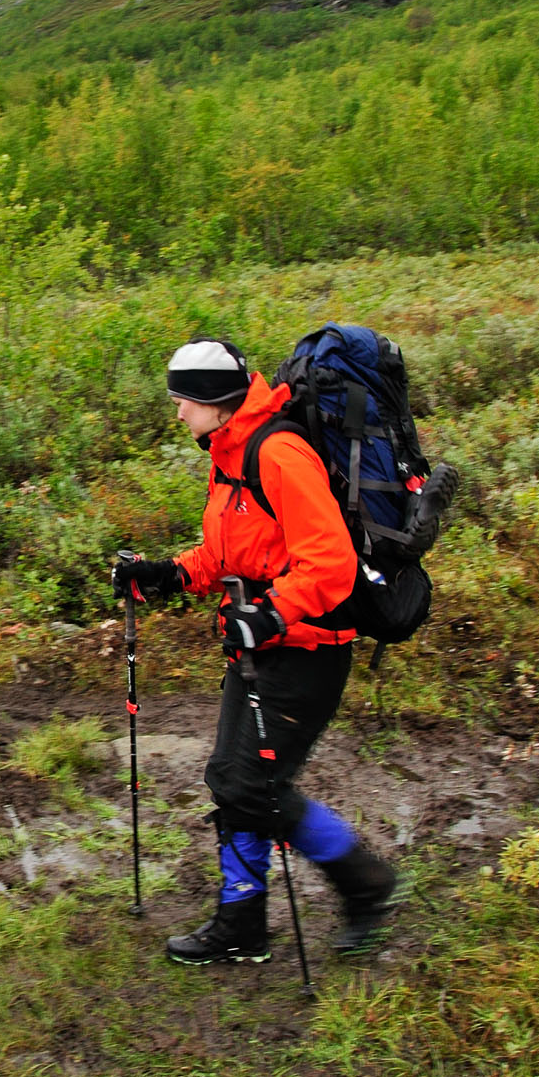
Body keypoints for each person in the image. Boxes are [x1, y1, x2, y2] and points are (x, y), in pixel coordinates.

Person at [113, 338, 400, 963]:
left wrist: (270, 614)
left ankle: (366, 884)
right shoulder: (229, 455)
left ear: (215, 402)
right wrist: (165, 573)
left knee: (249, 785)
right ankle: (241, 921)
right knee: (236, 782)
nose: (179, 414)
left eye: (183, 401)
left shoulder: (279, 453)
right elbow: (228, 557)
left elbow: (332, 562)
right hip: (260, 646)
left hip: (308, 648)